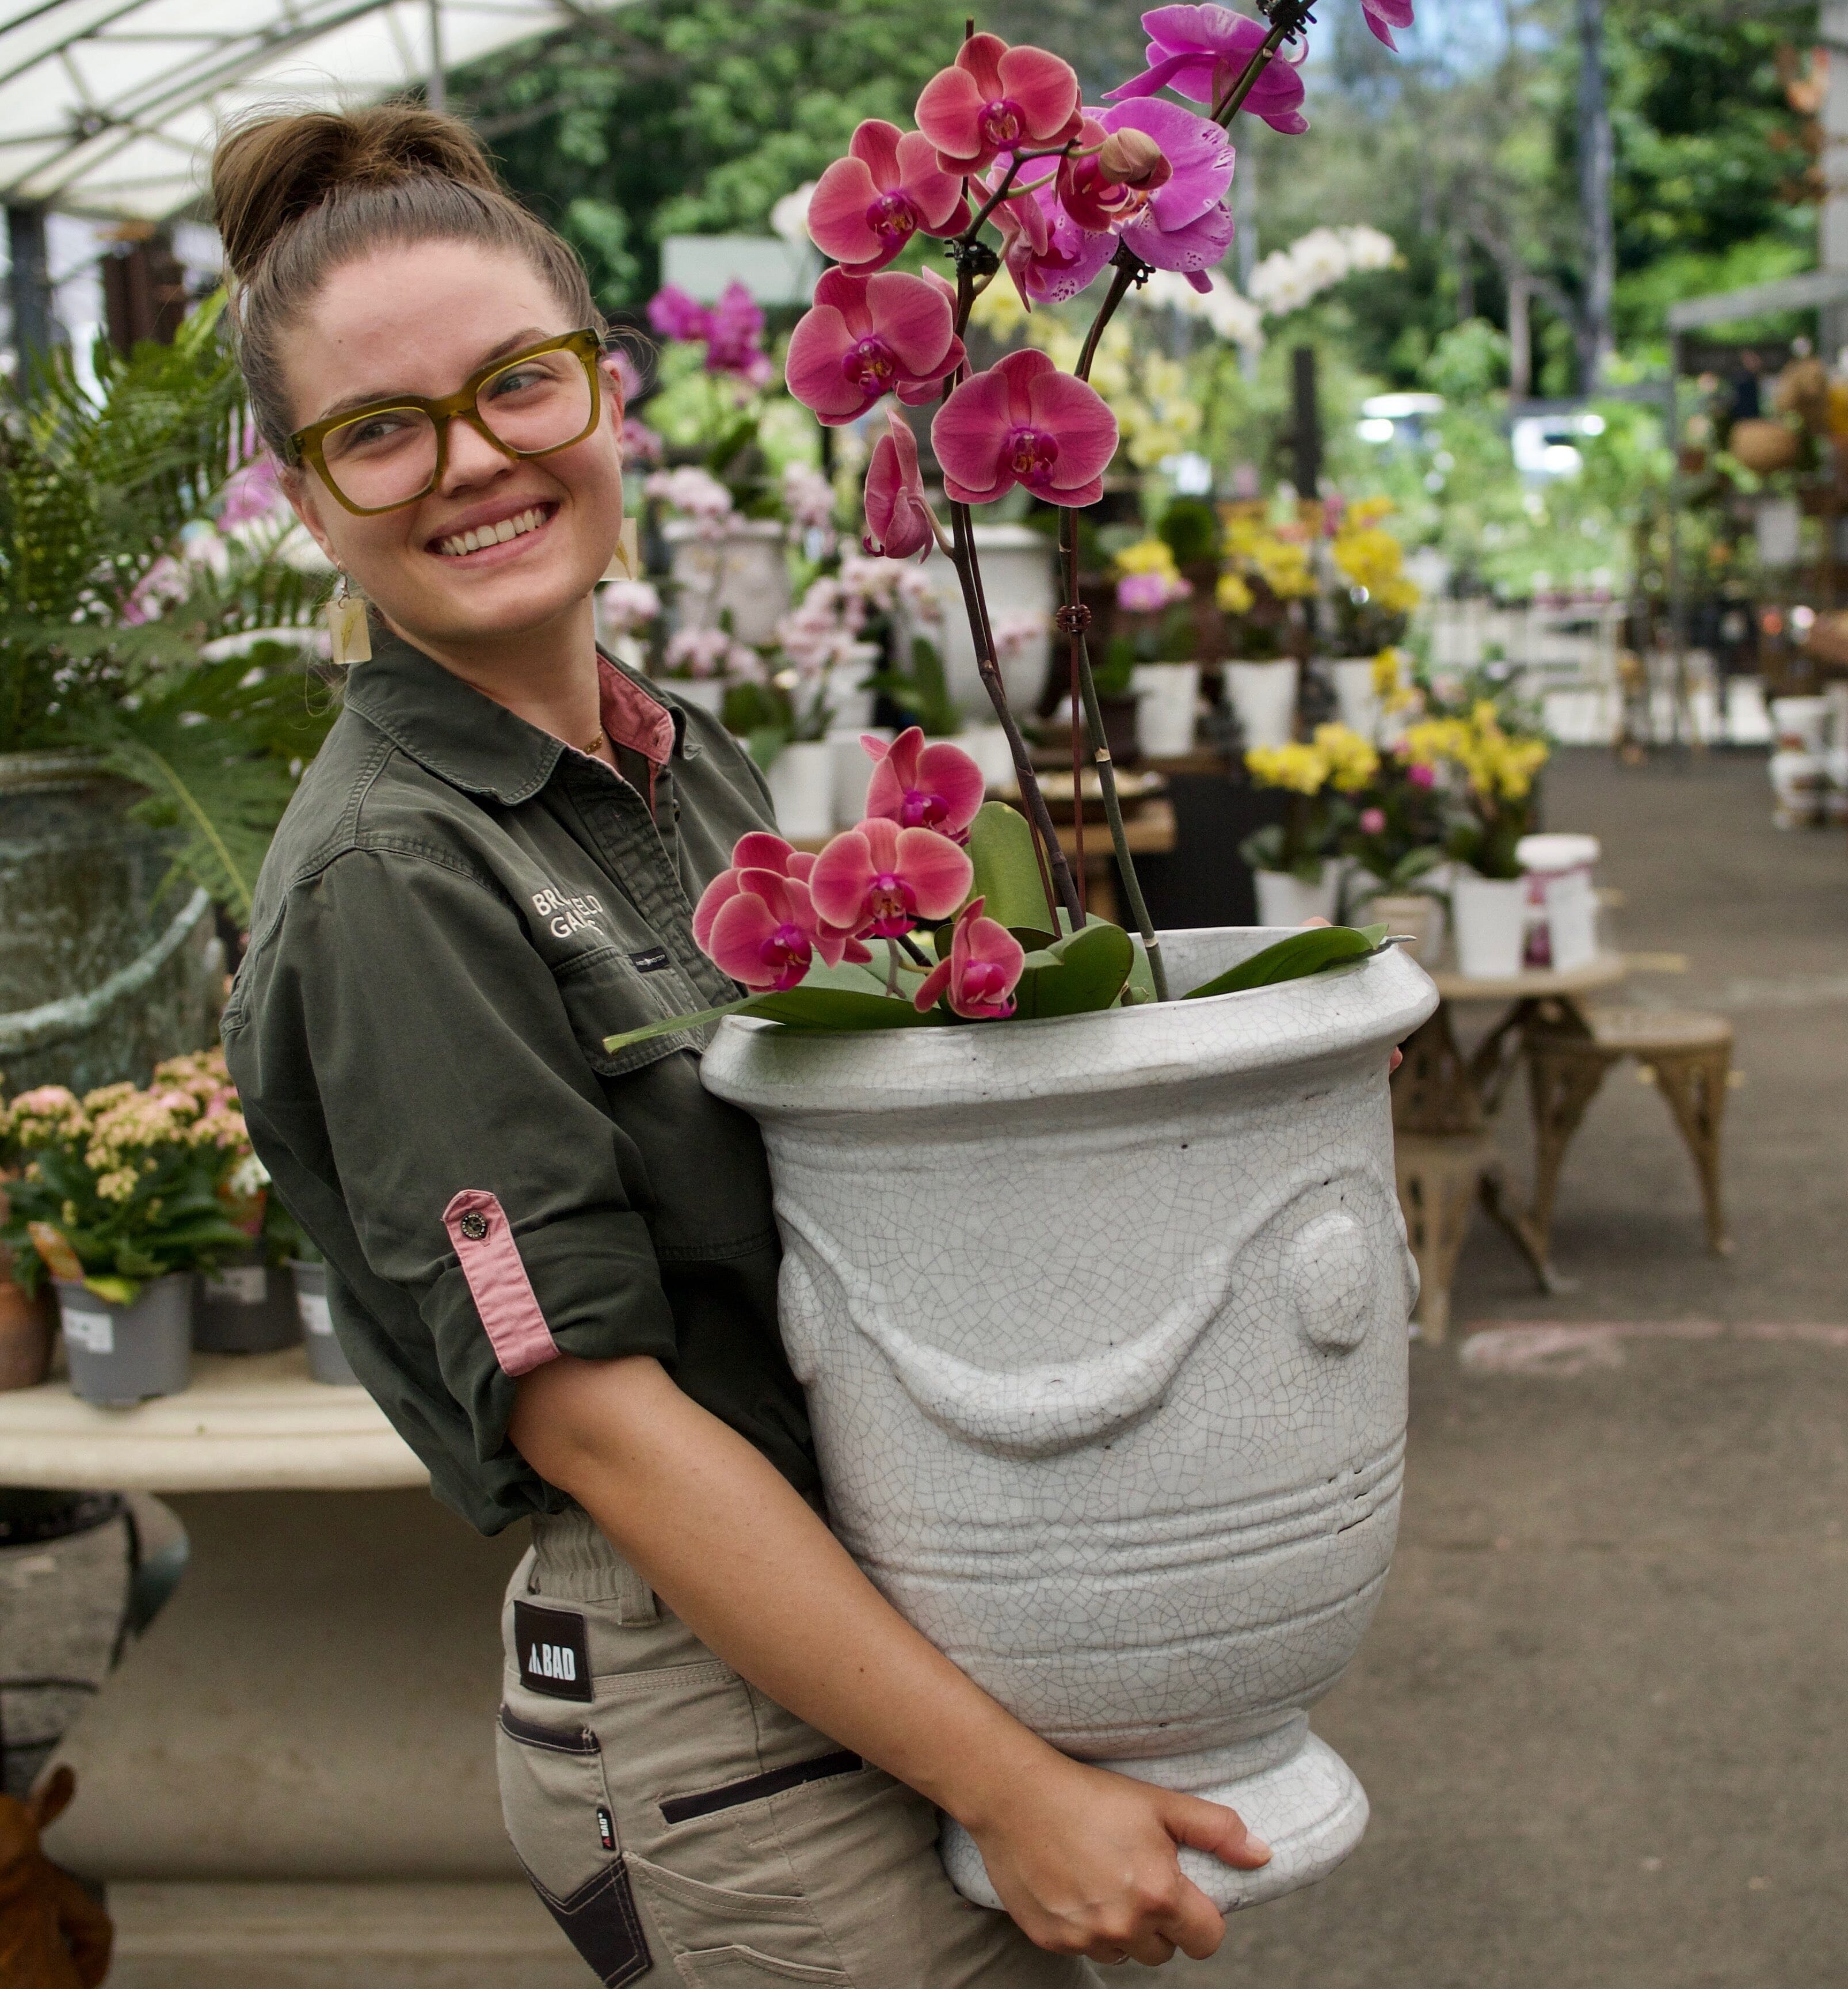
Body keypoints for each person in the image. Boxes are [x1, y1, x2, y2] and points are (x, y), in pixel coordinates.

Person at [215, 105, 1270, 1984]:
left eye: (514, 386)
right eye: (378, 430)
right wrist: (1011, 1786)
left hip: (867, 1640)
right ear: (306, 495)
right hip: (731, 1737)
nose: (469, 464)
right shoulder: (396, 875)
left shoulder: (671, 755)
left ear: (606, 397)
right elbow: (596, 1418)